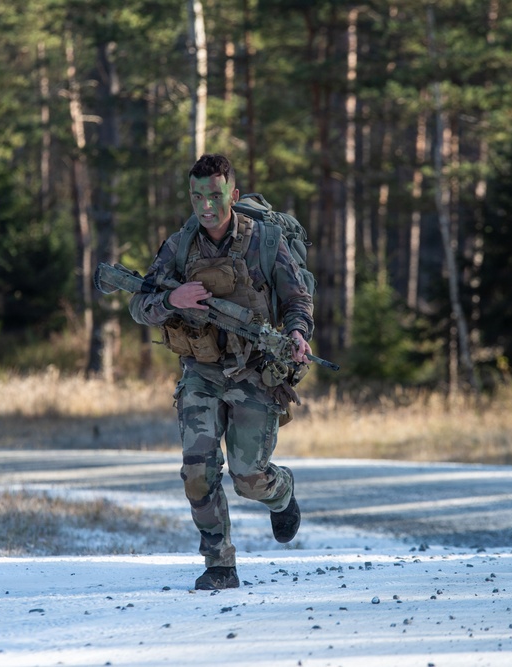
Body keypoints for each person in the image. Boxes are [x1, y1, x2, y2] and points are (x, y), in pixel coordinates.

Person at [128, 153, 314, 590]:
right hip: (201, 372)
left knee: (249, 478)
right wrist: (172, 302)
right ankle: (220, 564)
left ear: (232, 193)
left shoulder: (265, 241)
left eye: (214, 195)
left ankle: (281, 491)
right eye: (197, 197)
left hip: (255, 371)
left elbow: (297, 300)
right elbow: (140, 304)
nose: (205, 206)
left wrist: (299, 334)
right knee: (198, 472)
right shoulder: (179, 246)